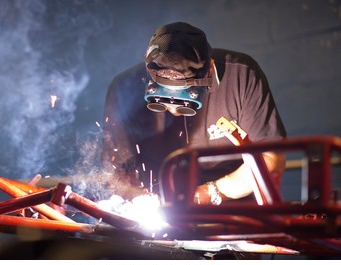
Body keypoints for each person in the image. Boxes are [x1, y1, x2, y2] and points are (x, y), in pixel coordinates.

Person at [102, 22, 286, 205]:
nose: (174, 111)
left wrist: (210, 192)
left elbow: (271, 158)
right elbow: (118, 173)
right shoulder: (124, 90)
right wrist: (144, 202)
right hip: (161, 206)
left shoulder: (241, 75)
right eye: (163, 103)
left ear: (210, 68)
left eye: (184, 102)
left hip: (232, 209)